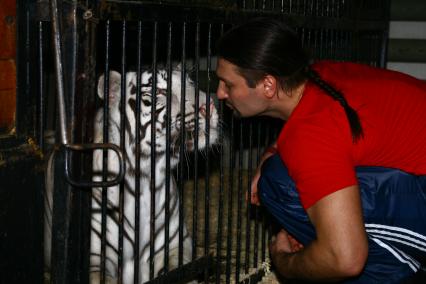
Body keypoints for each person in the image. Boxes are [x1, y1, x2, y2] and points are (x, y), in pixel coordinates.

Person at [215, 18, 426, 283]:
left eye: (228, 84)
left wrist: (284, 261)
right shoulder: (321, 75)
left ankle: (394, 272)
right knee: (280, 167)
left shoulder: (309, 136)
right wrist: (271, 151)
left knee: (278, 183)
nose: (220, 93)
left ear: (268, 85)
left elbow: (346, 260)